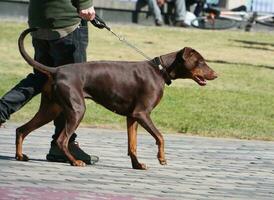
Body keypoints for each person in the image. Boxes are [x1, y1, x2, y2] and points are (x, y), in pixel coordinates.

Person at [0, 0, 99, 165]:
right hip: (65, 21)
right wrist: (85, 2)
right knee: (70, 85)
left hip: (40, 19)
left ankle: (2, 109)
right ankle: (63, 145)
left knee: (41, 77)